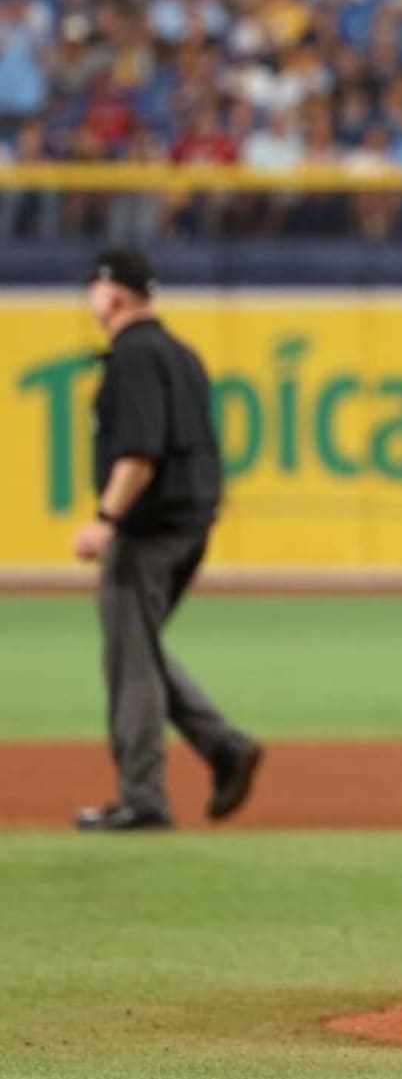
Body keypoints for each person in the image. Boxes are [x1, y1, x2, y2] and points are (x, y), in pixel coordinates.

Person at [72, 248, 263, 832]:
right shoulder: (180, 353)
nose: (91, 299)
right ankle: (223, 747)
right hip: (191, 525)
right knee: (142, 648)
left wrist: (106, 517)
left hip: (149, 530)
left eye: (95, 287)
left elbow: (140, 452)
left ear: (113, 292)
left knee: (129, 658)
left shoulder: (133, 356)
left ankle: (144, 796)